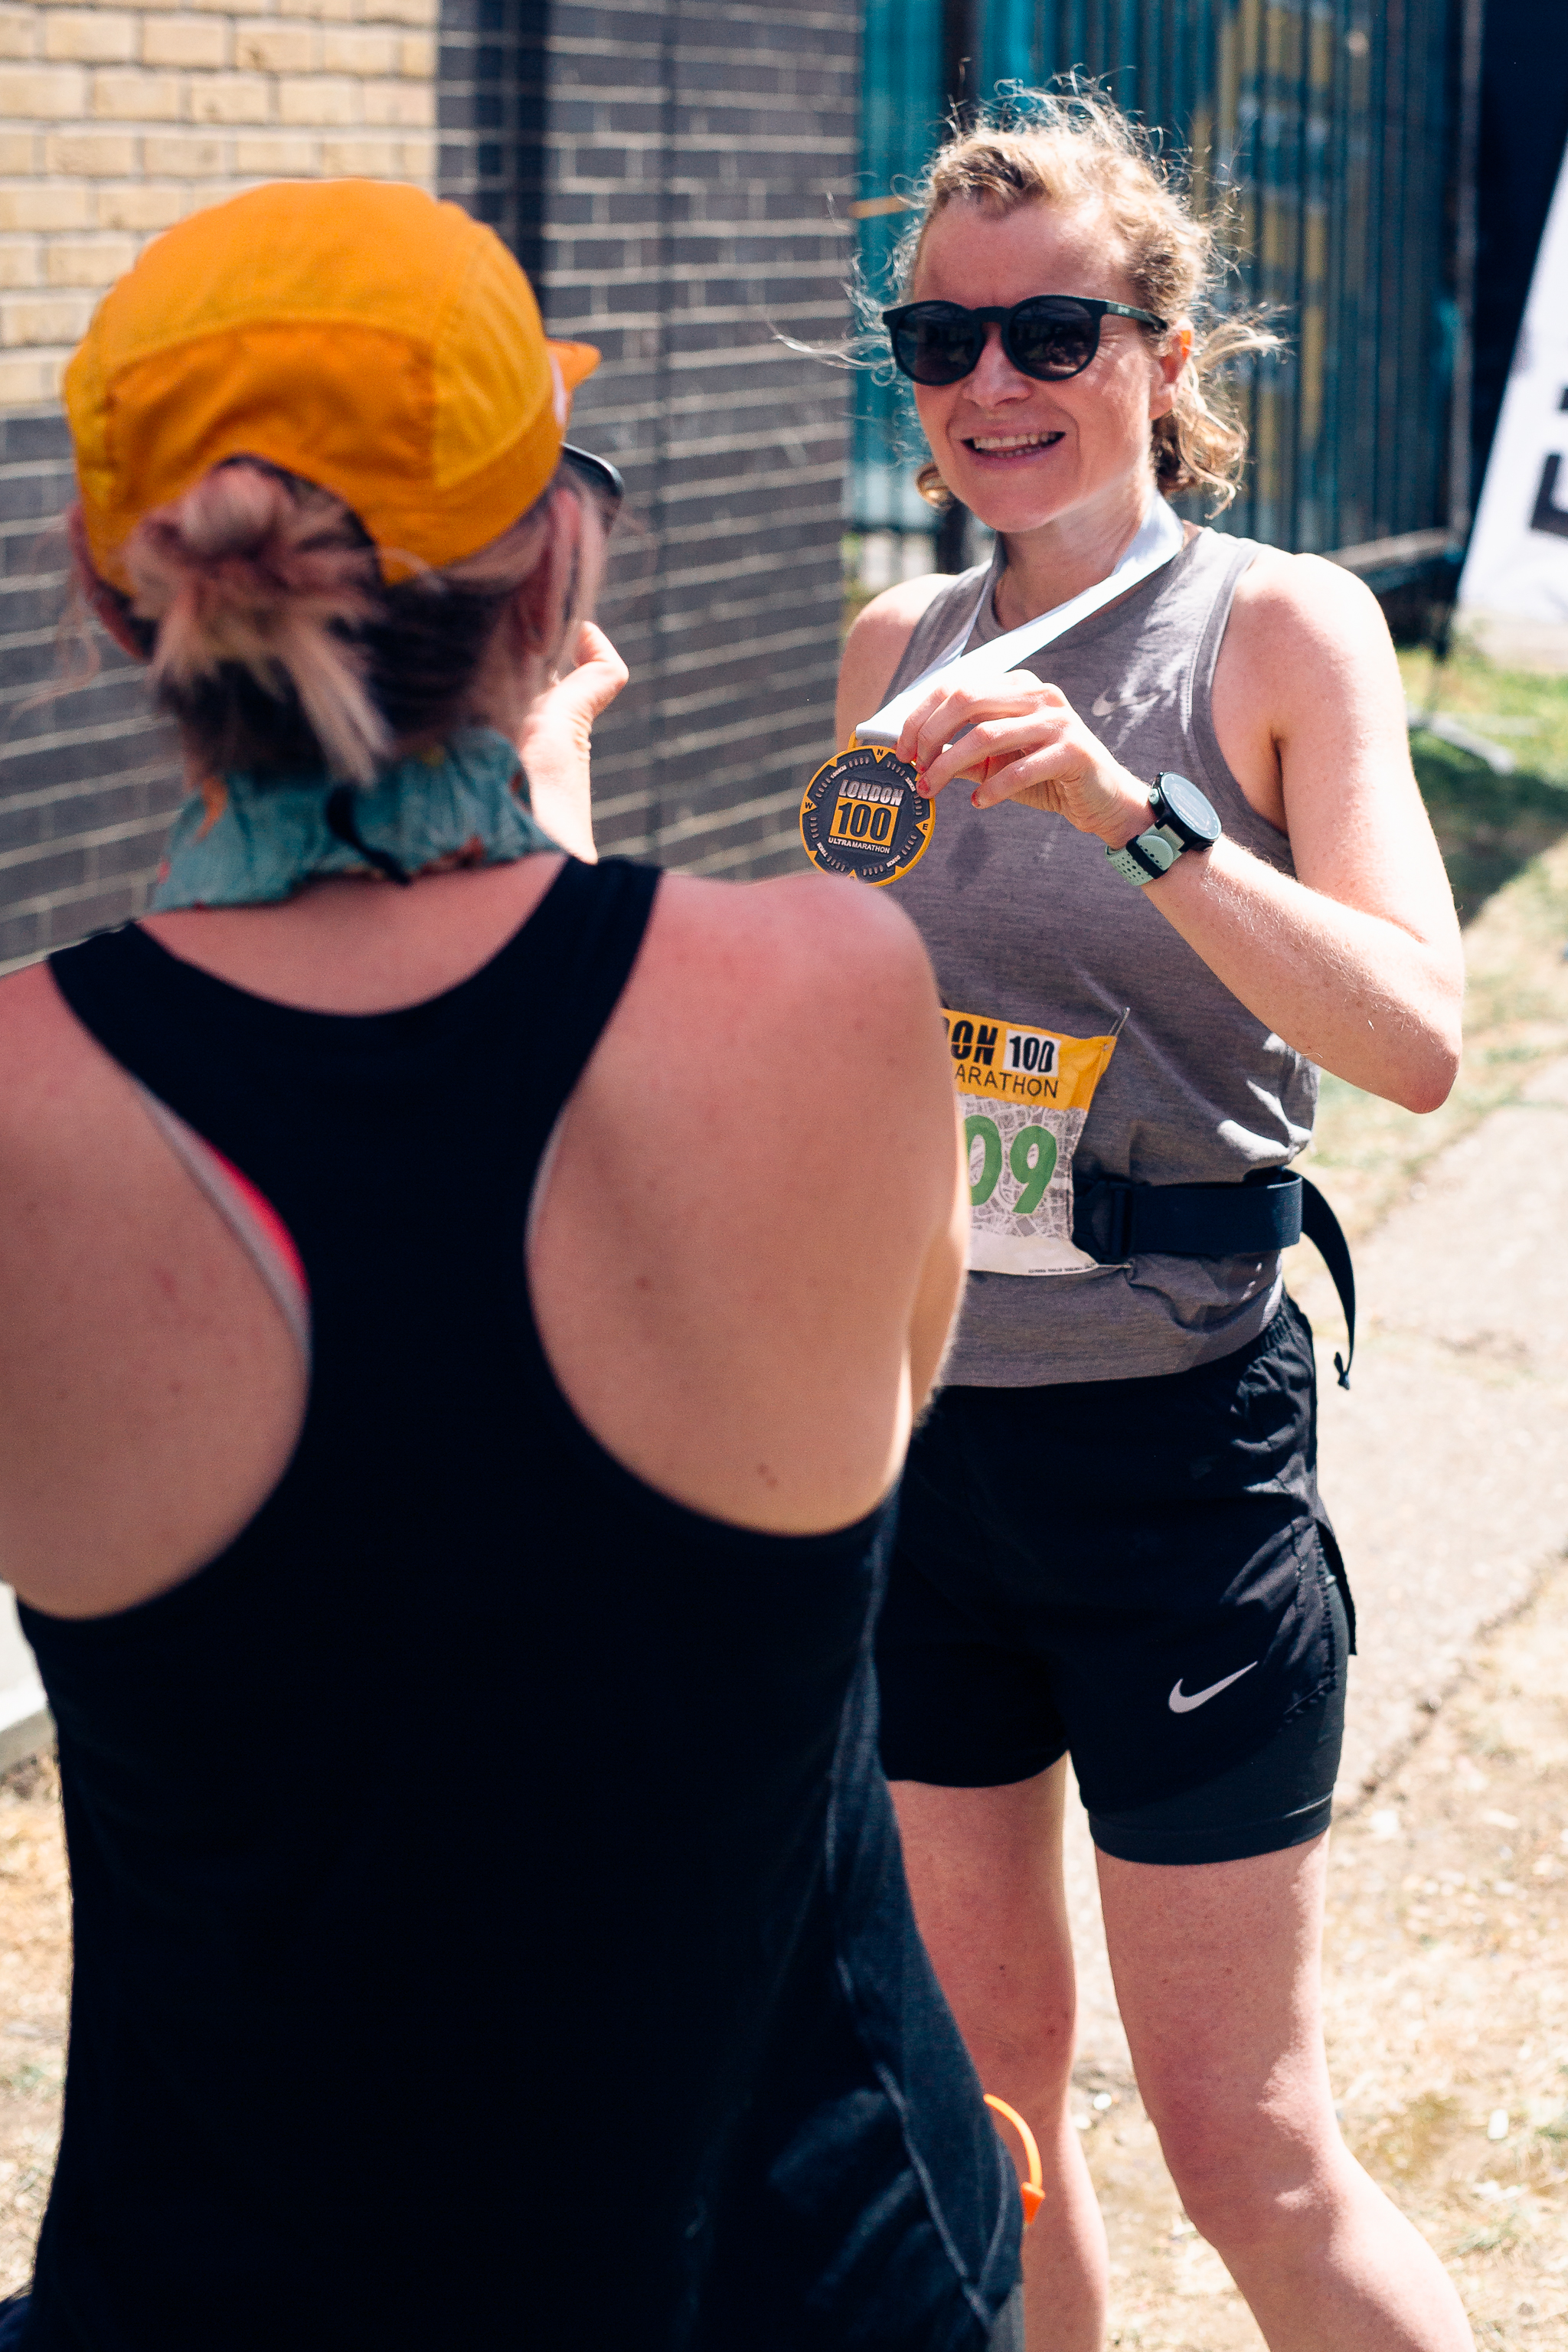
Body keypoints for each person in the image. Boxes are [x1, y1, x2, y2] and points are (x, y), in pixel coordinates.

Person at [0, 179, 1026, 2350]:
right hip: (807, 2263)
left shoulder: (22, 1105)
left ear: (113, 588)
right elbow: (837, 1401)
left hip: (224, 2289)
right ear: (560, 567)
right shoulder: (826, 1000)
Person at [835, 92, 1472, 2352]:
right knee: (986, 2113)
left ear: (1165, 353)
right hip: (923, 1450)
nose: (991, 384)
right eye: (939, 339)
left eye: (1053, 332)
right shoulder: (892, 639)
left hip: (1174, 1450)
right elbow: (856, 1001)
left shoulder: (1280, 627)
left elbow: (1418, 1041)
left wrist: (1139, 816)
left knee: (1249, 2150)